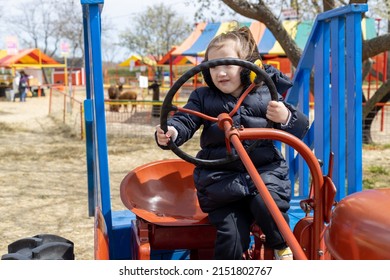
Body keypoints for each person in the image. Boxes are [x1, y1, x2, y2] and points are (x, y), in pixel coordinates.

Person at [155, 26, 309, 260]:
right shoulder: (203, 98)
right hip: (221, 180)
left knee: (267, 205)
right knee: (230, 235)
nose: (220, 72)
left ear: (249, 67)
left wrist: (286, 117)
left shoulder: (267, 93)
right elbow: (186, 119)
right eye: (214, 66)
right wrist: (172, 131)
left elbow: (300, 128)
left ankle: (282, 248)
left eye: (228, 64)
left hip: (264, 171)